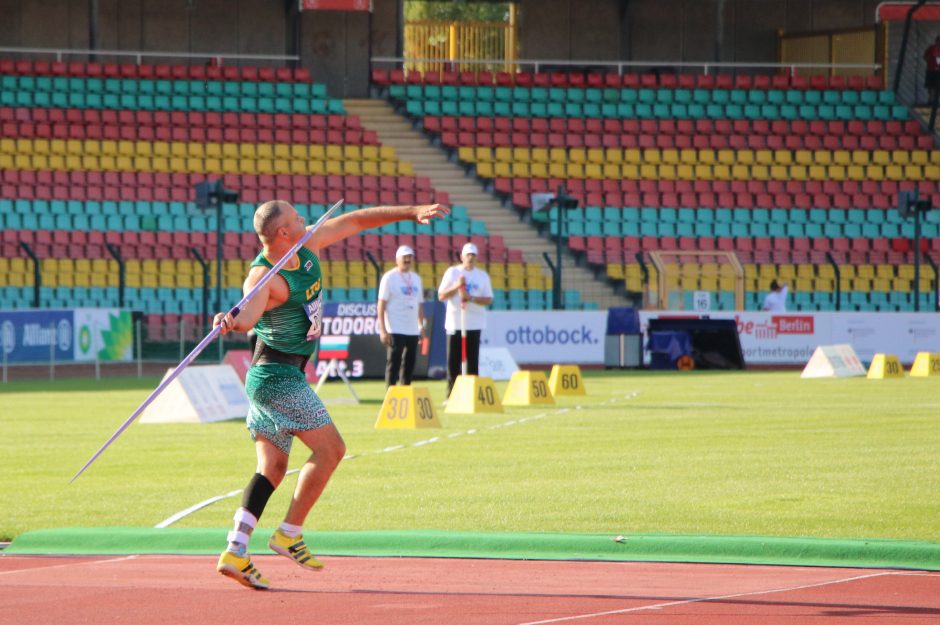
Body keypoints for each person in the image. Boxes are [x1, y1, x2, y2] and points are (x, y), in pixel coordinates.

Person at [213, 199, 448, 589]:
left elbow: (356, 220)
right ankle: (289, 532)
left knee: (271, 468)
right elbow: (249, 314)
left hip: (274, 375)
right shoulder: (262, 277)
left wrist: (411, 212)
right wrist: (230, 319)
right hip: (276, 376)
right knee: (332, 449)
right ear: (282, 233)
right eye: (296, 217)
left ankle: (235, 550)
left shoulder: (306, 243)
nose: (305, 219)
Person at [437, 242, 493, 398]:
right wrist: (456, 286)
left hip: (475, 323)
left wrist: (471, 298)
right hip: (455, 321)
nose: (470, 258)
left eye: (473, 255)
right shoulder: (453, 272)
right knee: (453, 361)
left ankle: (472, 395)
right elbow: (441, 295)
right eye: (468, 255)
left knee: (472, 361)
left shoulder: (482, 276)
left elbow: (488, 299)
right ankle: (451, 395)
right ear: (462, 257)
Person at [377, 244, 425, 387]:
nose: (407, 260)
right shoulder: (389, 277)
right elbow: (381, 305)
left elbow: (419, 304)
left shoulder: (416, 278)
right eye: (404, 257)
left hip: (412, 329)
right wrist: (383, 330)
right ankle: (390, 396)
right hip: (395, 328)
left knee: (409, 364)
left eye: (409, 257)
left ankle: (405, 394)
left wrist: (420, 325)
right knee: (393, 363)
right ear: (397, 259)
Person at [924, 36, 940, 106]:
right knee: (930, 86)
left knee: (937, 86)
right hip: (931, 69)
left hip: (938, 70)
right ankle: (930, 100)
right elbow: (925, 56)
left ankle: (936, 100)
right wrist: (929, 59)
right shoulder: (931, 48)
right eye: (938, 41)